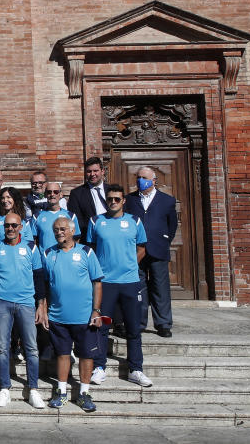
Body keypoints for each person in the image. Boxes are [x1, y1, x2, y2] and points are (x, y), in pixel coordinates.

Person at [85, 184, 151, 387]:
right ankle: (99, 367)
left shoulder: (135, 221)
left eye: (117, 199)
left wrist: (130, 266)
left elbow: (142, 248)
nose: (113, 202)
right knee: (101, 326)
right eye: (110, 199)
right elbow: (91, 250)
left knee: (133, 327)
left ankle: (135, 369)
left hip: (130, 282)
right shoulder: (96, 221)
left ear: (124, 201)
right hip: (105, 284)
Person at [0, 212, 47, 409]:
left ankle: (33, 389)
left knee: (31, 348)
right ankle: (5, 388)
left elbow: (39, 277)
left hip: (26, 303)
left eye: (14, 225)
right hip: (2, 303)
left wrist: (41, 305)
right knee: (2, 347)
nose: (10, 229)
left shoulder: (31, 248)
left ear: (21, 227)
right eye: (7, 225)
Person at [44, 216, 104, 412]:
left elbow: (97, 282)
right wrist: (43, 307)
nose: (59, 232)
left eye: (62, 229)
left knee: (86, 356)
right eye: (56, 230)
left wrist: (96, 310)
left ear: (71, 230)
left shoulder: (86, 251)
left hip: (84, 316)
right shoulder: (48, 254)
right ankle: (61, 392)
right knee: (62, 354)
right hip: (58, 316)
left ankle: (84, 393)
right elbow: (44, 284)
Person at [126, 166, 178, 338]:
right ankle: (139, 322)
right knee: (138, 287)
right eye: (138, 177)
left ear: (154, 180)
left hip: (158, 248)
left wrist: (163, 240)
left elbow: (172, 225)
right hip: (136, 250)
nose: (140, 180)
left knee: (160, 287)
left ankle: (163, 323)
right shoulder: (129, 200)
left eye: (144, 177)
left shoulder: (167, 200)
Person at [31, 183, 81, 252]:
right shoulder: (36, 217)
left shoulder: (71, 216)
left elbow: (76, 239)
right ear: (45, 194)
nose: (52, 194)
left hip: (65, 259)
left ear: (61, 194)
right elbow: (33, 242)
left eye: (56, 192)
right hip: (45, 260)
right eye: (49, 192)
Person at [68, 157, 109, 236]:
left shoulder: (112, 190)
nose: (92, 174)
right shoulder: (76, 194)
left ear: (102, 171)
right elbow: (76, 220)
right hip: (90, 237)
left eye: (95, 171)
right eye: (89, 171)